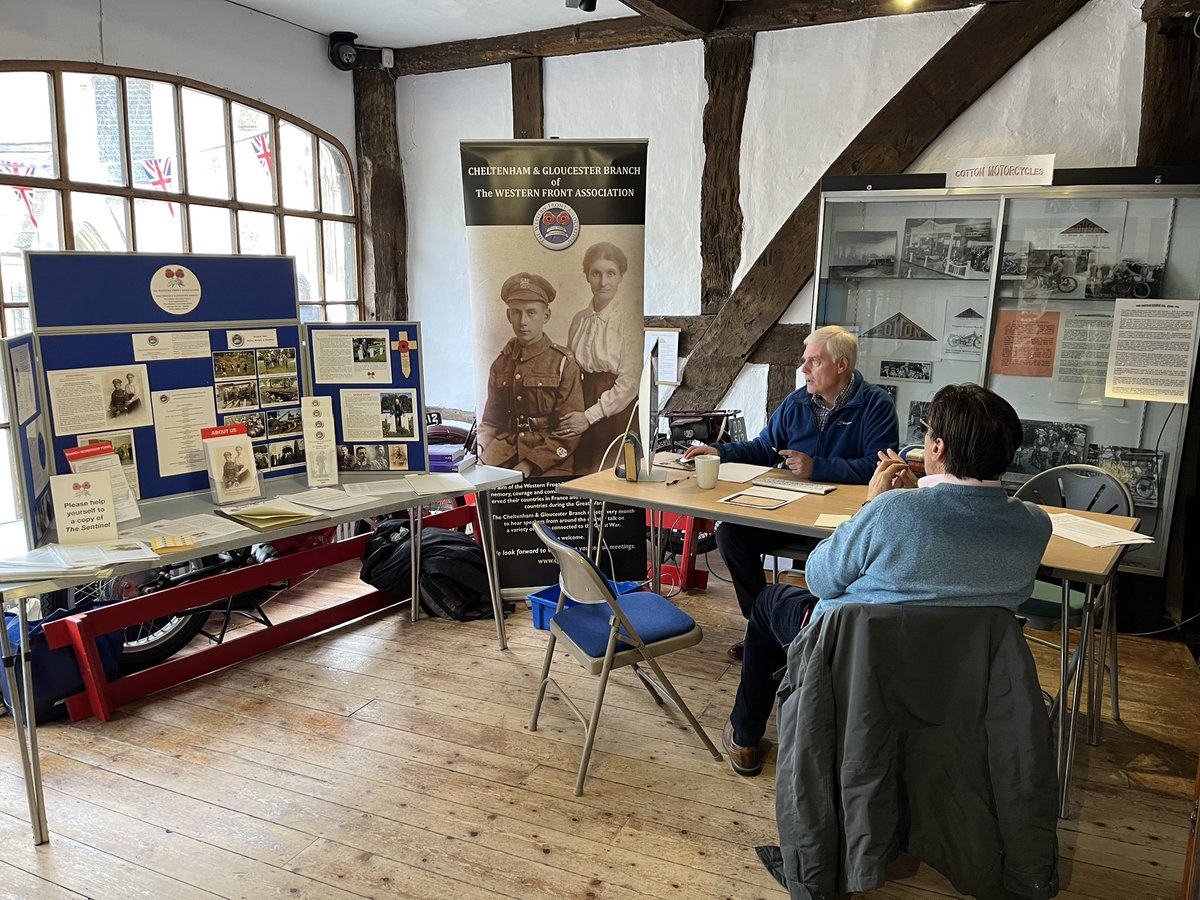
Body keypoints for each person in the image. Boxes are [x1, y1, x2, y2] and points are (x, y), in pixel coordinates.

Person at [721, 383, 1053, 777]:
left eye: (927, 433)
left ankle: (745, 738)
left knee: (770, 601)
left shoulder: (891, 510)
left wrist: (873, 503)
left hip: (856, 656)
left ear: (938, 448)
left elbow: (820, 579)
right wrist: (910, 499)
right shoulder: (1034, 523)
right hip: (962, 668)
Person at [682, 325, 899, 659]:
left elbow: (879, 466)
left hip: (841, 521)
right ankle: (764, 627)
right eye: (804, 361)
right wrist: (719, 452)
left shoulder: (876, 405)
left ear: (840, 365)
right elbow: (764, 448)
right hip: (790, 510)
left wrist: (817, 467)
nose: (803, 369)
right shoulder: (796, 403)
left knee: (837, 559)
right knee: (730, 534)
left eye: (813, 361)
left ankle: (814, 635)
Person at [477, 272, 584, 477]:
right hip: (504, 453)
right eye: (516, 312)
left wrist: (528, 465)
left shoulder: (563, 363)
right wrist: (479, 450)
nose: (523, 321)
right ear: (509, 316)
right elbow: (491, 421)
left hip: (549, 459)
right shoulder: (501, 364)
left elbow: (570, 431)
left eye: (531, 312)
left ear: (546, 315)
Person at [553, 242, 642, 474]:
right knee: (581, 473)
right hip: (582, 400)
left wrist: (590, 416)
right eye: (596, 273)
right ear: (587, 276)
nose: (603, 282)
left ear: (621, 276)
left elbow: (630, 382)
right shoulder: (579, 320)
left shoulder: (629, 320)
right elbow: (570, 368)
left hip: (616, 411)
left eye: (611, 273)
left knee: (614, 474)